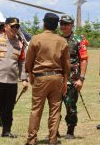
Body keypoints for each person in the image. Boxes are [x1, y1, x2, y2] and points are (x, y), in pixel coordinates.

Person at [25, 13, 70, 145]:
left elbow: (29, 61)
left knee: (36, 109)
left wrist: (31, 75)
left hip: (41, 77)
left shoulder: (36, 39)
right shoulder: (62, 41)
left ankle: (32, 139)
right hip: (57, 77)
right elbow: (66, 63)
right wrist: (65, 79)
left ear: (44, 23)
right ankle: (53, 139)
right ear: (56, 26)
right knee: (55, 109)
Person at [59, 15, 88, 139]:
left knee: (70, 107)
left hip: (72, 79)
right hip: (56, 79)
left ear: (72, 25)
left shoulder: (78, 40)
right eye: (62, 23)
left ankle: (70, 131)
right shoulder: (57, 39)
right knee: (55, 107)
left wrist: (81, 79)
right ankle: (54, 130)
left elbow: (84, 59)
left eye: (66, 24)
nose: (63, 26)